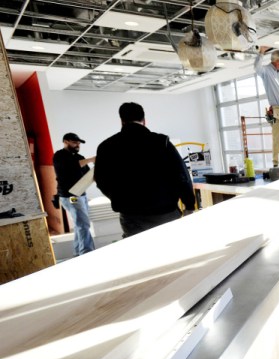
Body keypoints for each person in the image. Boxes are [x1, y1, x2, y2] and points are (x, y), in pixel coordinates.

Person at [94, 102, 195, 238]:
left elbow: (101, 180)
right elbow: (182, 176)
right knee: (172, 251)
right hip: (165, 212)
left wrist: (119, 198)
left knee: (140, 255)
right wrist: (189, 204)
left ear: (122, 121)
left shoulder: (106, 147)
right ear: (144, 120)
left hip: (131, 215)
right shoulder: (161, 142)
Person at [52, 132, 96, 256]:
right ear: (65, 142)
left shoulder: (79, 157)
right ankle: (86, 253)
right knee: (83, 224)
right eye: (74, 142)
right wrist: (91, 159)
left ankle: (78, 252)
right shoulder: (59, 156)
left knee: (79, 225)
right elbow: (70, 166)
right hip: (70, 196)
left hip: (81, 195)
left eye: (79, 143)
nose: (77, 145)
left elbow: (88, 174)